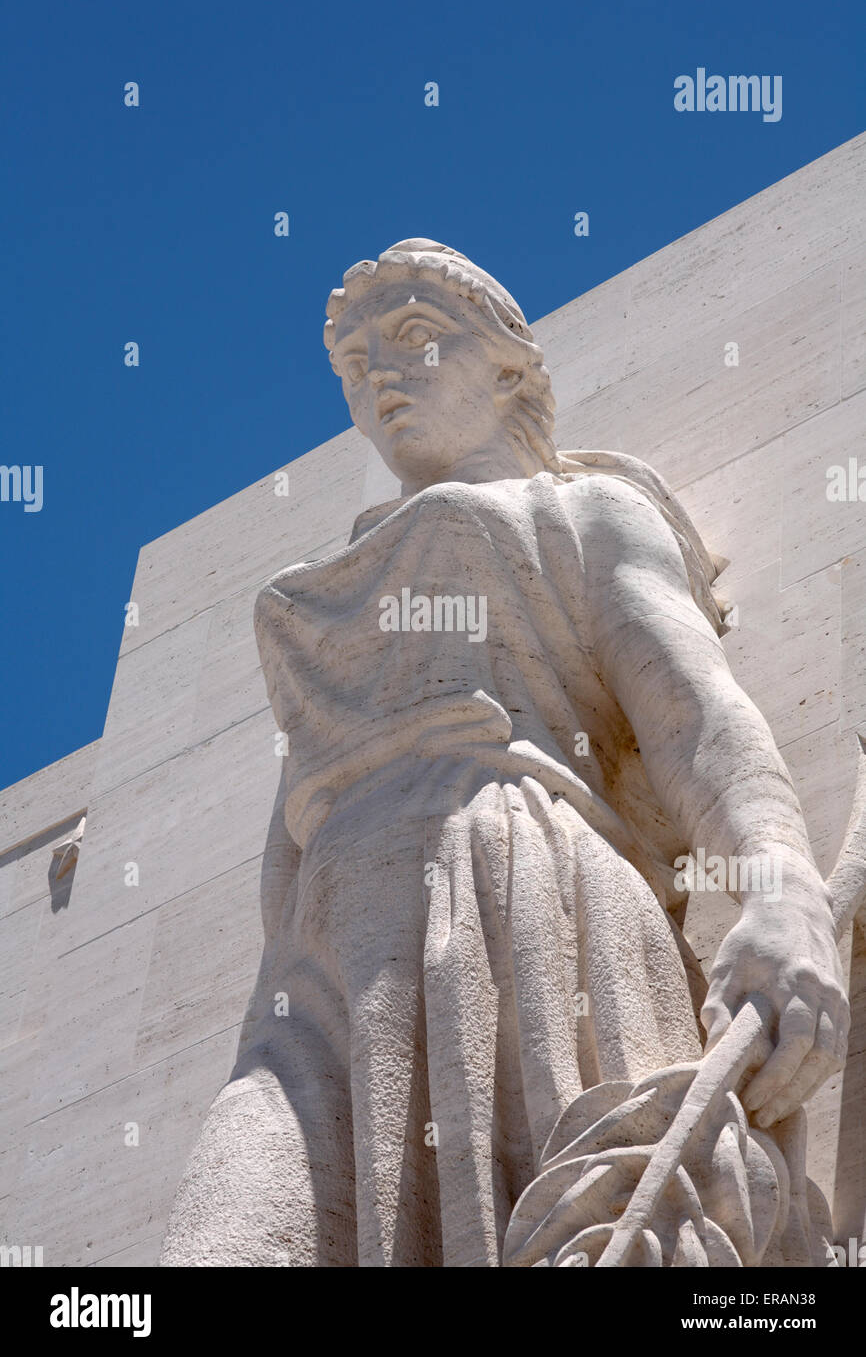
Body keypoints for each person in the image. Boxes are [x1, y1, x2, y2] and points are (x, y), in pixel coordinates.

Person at [161, 239, 848, 1267]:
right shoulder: (321, 591)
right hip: (319, 972)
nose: (380, 378)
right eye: (354, 366)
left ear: (509, 368)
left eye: (410, 338)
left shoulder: (582, 507)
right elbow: (286, 855)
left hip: (522, 892)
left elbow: (692, 717)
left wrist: (780, 889)